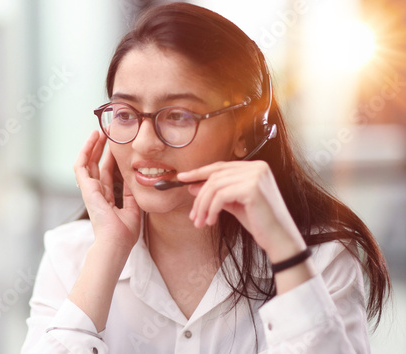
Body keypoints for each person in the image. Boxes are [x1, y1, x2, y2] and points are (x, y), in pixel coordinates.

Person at [21, 3, 391, 353]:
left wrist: (284, 249)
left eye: (179, 116)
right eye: (125, 113)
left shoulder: (318, 256)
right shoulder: (71, 255)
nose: (145, 144)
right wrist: (109, 251)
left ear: (244, 133)